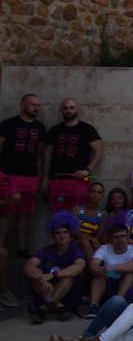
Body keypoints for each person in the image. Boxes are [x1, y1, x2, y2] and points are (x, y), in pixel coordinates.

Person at [0, 92, 45, 306]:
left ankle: (22, 247)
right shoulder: (8, 125)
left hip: (30, 174)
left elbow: (41, 153)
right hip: (9, 174)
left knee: (26, 213)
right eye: (32, 104)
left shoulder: (40, 128)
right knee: (8, 211)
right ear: (23, 104)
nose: (36, 108)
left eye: (38, 105)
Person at [23, 212, 88, 322]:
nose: (62, 236)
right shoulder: (46, 251)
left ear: (70, 235)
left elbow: (79, 266)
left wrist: (52, 275)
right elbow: (28, 267)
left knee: (68, 276)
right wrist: (41, 278)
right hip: (45, 291)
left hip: (68, 294)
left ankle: (45, 308)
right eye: (57, 233)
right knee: (35, 272)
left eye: (65, 232)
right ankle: (57, 305)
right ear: (52, 236)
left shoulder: (75, 251)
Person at [43, 99, 103, 213]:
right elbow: (46, 156)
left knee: (76, 216)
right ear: (61, 110)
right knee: (58, 216)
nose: (68, 111)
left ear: (77, 109)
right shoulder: (54, 130)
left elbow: (99, 150)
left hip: (78, 180)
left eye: (72, 107)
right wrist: (45, 180)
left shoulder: (87, 129)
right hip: (57, 180)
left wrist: (88, 170)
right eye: (65, 108)